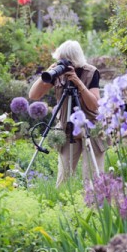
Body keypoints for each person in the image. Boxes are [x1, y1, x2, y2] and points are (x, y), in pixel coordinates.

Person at [29, 40, 106, 187]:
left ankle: (94, 207)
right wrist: (48, 72)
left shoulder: (91, 72)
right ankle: (62, 206)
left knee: (91, 179)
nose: (62, 63)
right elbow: (33, 95)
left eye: (65, 60)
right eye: (59, 59)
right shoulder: (58, 73)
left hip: (91, 129)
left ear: (75, 59)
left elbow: (95, 106)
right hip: (67, 128)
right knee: (63, 178)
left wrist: (78, 82)